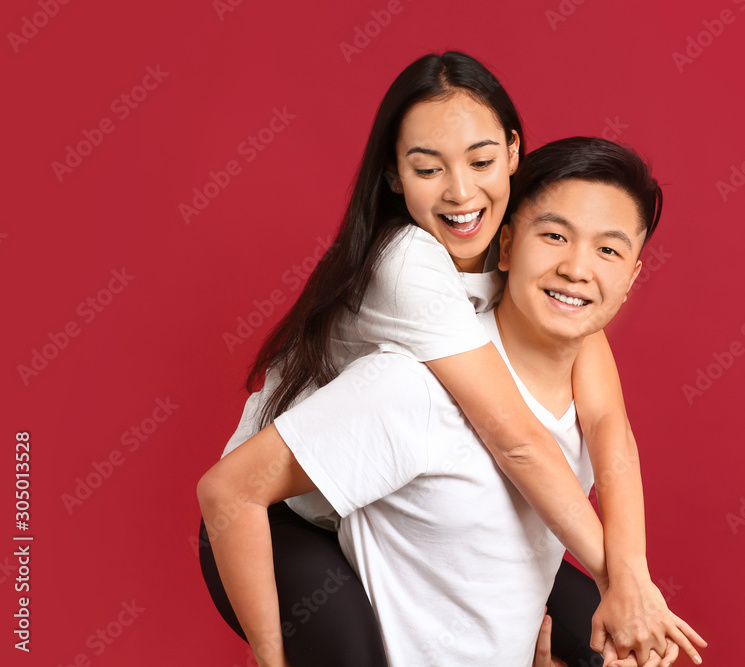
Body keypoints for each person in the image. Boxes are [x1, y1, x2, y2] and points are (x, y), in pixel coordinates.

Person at [196, 52, 700, 665]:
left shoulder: (525, 261)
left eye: (481, 161)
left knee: (616, 645)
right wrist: (625, 584)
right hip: (279, 515)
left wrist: (631, 577)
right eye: (428, 168)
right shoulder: (409, 266)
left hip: (367, 506)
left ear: (513, 153)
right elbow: (517, 440)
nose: (462, 191)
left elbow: (608, 428)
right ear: (393, 175)